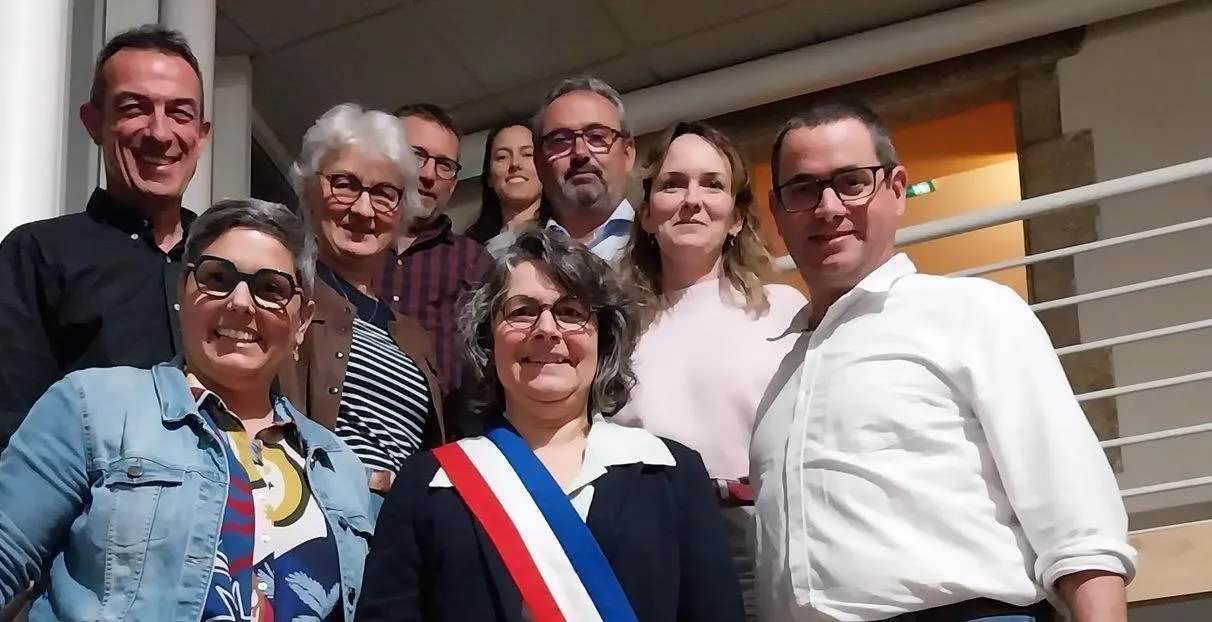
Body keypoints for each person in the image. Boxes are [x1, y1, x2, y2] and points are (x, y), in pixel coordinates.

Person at [751, 100, 1137, 622]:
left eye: (852, 182)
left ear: (896, 189)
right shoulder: (783, 379)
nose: (828, 207)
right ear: (777, 212)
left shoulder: (972, 312)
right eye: (802, 189)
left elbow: (1076, 518)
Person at [0, 199, 373, 622]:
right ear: (183, 292)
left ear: (302, 321)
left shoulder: (340, 467)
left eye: (271, 288)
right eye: (217, 278)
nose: (241, 303)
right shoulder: (95, 407)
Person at [356, 228, 744, 621]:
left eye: (571, 312)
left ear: (604, 340)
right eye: (522, 311)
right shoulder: (429, 482)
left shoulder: (671, 473)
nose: (547, 329)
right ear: (488, 339)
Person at [614, 120, 806, 619]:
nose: (692, 200)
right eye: (673, 184)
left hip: (771, 540)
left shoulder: (785, 311)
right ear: (646, 214)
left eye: (712, 184)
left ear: (737, 217)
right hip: (661, 547)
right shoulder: (612, 329)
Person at [0, 24, 210, 452]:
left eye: (179, 113)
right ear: (93, 123)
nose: (160, 133)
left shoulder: (228, 263)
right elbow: (11, 432)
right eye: (134, 109)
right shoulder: (38, 255)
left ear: (202, 135)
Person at [280, 103, 449, 510]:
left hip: (400, 527)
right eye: (344, 184)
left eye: (384, 194)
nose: (362, 209)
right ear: (309, 190)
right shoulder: (284, 293)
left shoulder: (413, 336)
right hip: (317, 513)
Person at [381, 103, 491, 412]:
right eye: (416, 155)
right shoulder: (345, 244)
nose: (429, 174)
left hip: (438, 431)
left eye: (444, 165)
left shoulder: (475, 262)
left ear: (453, 184)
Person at [533, 77, 636, 261]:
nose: (580, 152)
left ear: (627, 154)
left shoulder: (664, 247)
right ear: (539, 163)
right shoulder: (518, 262)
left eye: (596, 137)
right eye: (561, 140)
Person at [465, 120, 544, 258]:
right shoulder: (468, 253)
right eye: (502, 157)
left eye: (527, 154)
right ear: (489, 176)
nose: (515, 164)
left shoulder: (565, 236)